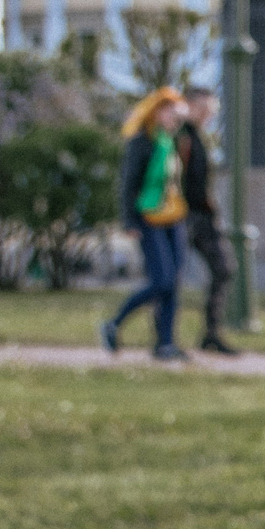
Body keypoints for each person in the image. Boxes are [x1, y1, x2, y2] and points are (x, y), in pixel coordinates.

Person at [104, 89, 190, 362]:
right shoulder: (141, 141)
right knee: (161, 279)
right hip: (148, 218)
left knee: (172, 282)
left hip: (173, 217)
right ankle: (114, 322)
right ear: (156, 111)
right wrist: (128, 220)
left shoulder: (170, 140)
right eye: (169, 112)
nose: (173, 118)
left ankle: (165, 342)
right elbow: (128, 184)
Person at [178, 87, 239, 355]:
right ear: (189, 105)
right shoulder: (180, 137)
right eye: (204, 108)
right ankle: (163, 338)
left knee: (224, 268)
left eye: (211, 110)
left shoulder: (201, 137)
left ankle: (211, 334)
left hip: (203, 217)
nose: (209, 114)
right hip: (183, 217)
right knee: (168, 277)